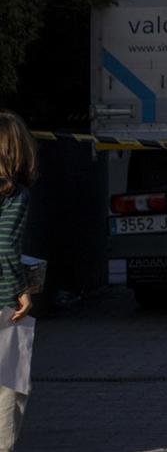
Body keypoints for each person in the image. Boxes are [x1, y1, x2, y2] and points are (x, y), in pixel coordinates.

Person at [0, 112, 35, 452]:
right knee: (9, 394)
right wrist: (20, 292)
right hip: (2, 307)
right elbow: (5, 245)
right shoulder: (15, 193)